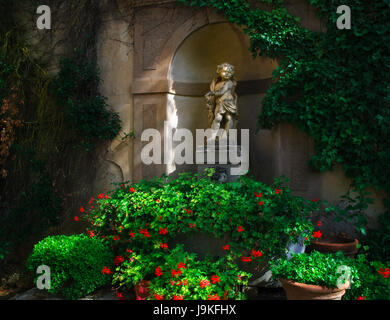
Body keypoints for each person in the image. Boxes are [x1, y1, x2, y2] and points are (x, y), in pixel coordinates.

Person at [205, 63, 238, 134]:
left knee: (228, 118)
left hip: (229, 103)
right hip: (220, 103)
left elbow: (221, 91)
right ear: (219, 72)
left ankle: (226, 136)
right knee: (217, 118)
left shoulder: (229, 83)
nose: (227, 74)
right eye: (224, 72)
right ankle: (213, 135)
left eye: (229, 72)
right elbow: (216, 93)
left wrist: (211, 93)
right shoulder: (217, 84)